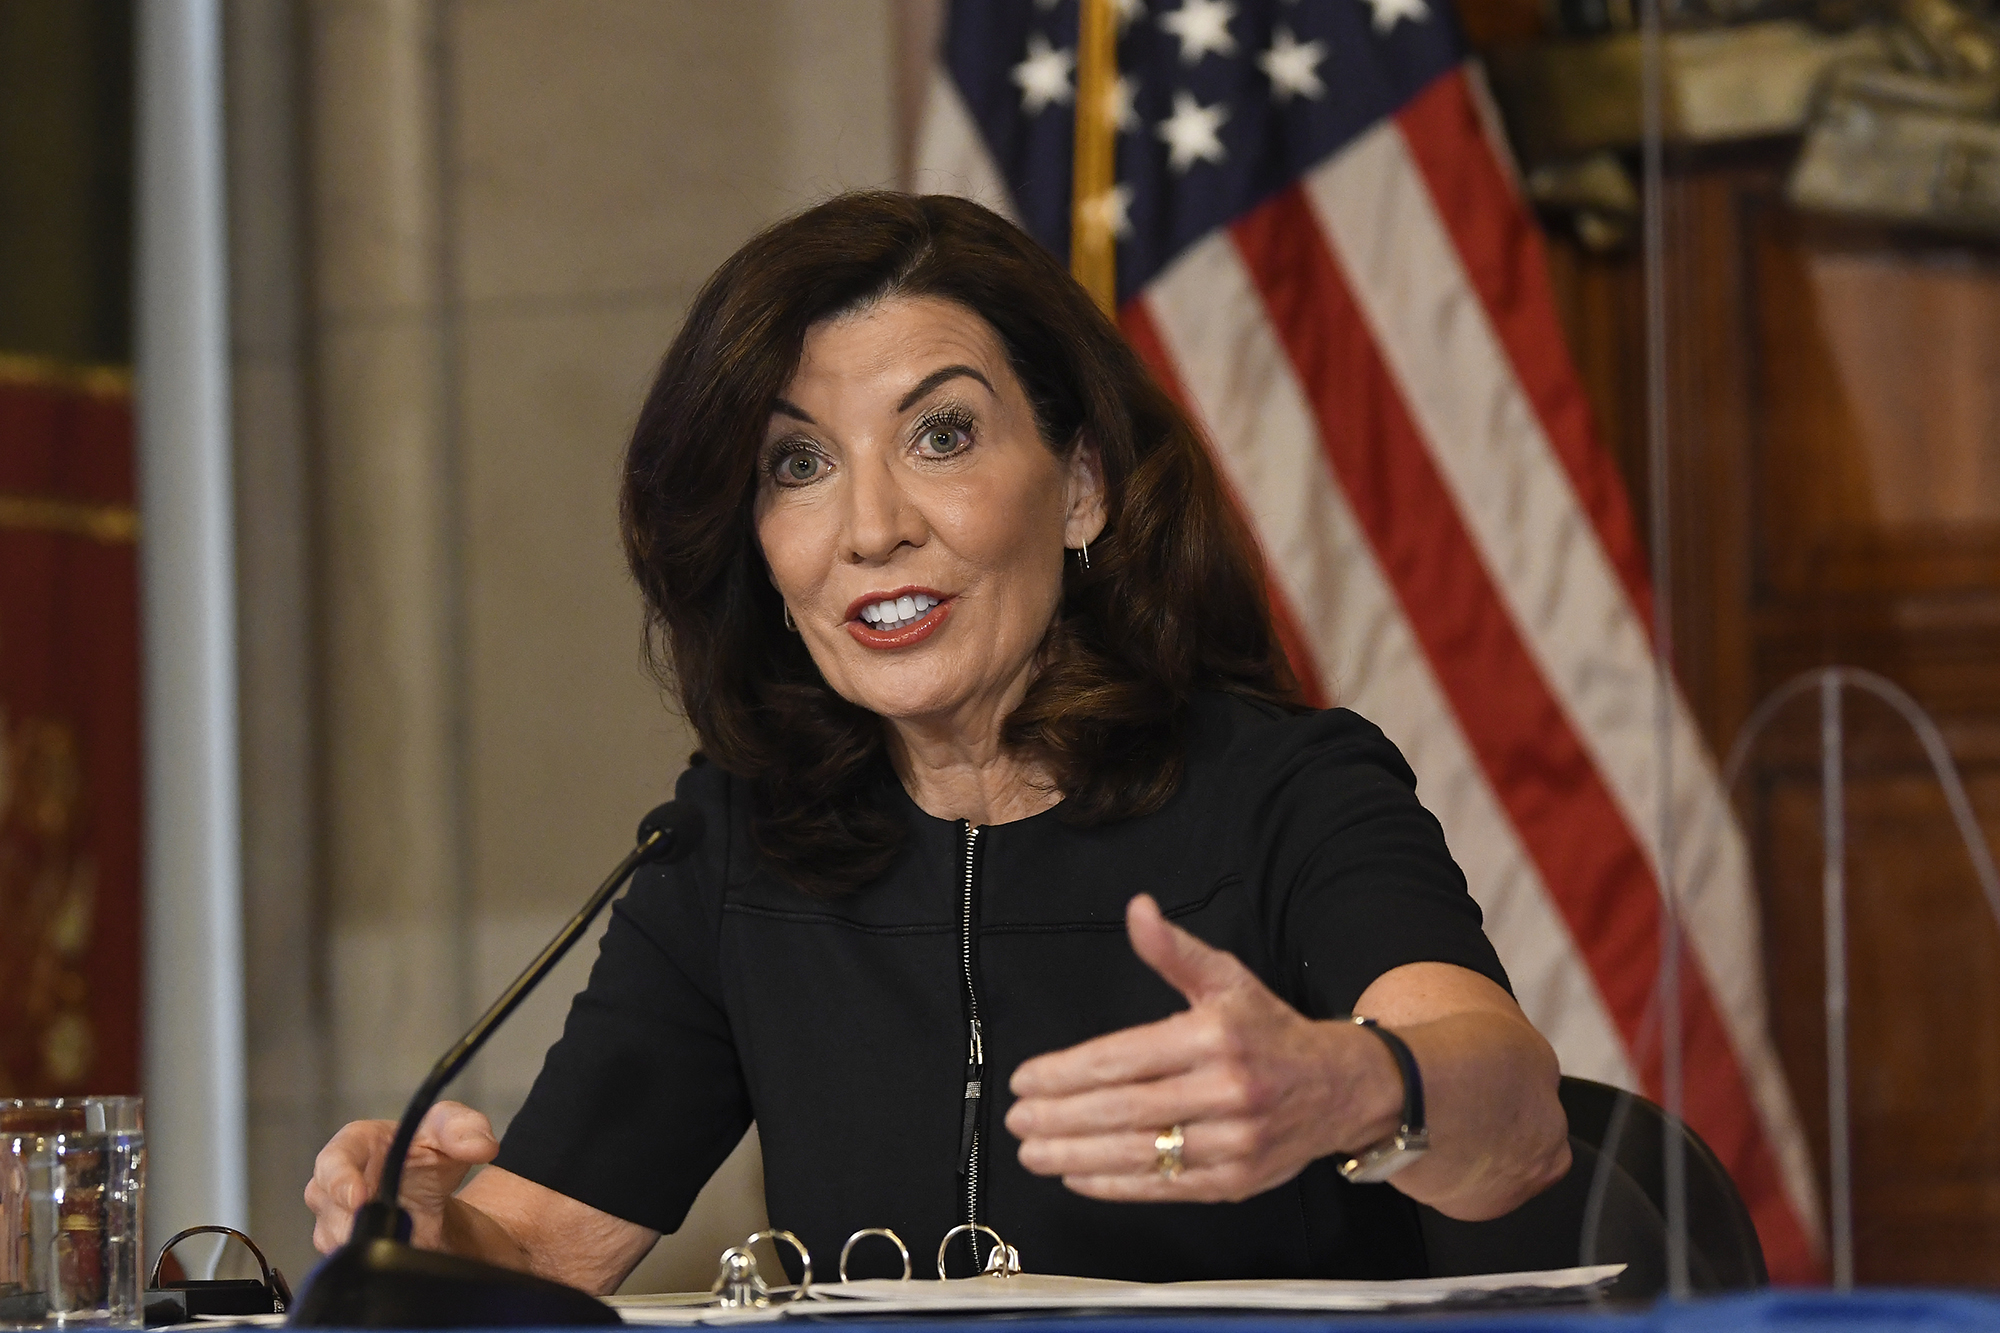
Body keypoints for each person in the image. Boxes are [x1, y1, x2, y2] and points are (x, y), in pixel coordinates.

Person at [304, 191, 1570, 1295]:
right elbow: (534, 1253)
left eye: (941, 435)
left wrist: (1353, 1086)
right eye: (795, 463)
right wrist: (416, 1231)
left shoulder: (1282, 788)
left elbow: (1515, 1120)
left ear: (1081, 484)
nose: (869, 526)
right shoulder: (737, 837)